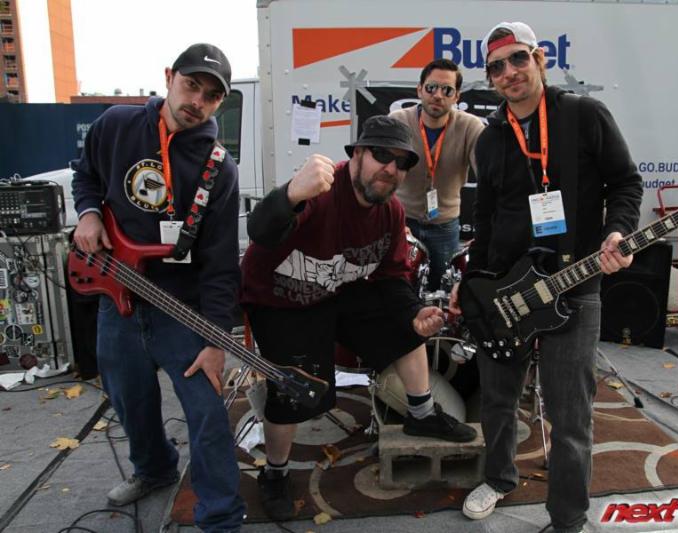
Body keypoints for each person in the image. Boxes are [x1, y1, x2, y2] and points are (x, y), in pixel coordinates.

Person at [449, 22, 643, 532]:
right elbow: (486, 220)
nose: (509, 72)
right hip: (503, 292)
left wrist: (619, 231)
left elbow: (626, 183)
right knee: (497, 400)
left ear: (539, 59)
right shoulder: (490, 139)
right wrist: (473, 284)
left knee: (570, 416)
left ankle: (568, 519)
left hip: (574, 285)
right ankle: (498, 478)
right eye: (497, 66)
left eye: (518, 59)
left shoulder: (583, 115)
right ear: (490, 77)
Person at [239, 115, 477, 521]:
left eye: (402, 162)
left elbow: (392, 278)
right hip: (279, 298)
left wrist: (414, 312)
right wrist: (290, 194)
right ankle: (275, 472)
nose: (391, 168)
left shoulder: (391, 213)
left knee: (403, 326)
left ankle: (422, 415)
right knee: (297, 388)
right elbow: (260, 231)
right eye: (382, 155)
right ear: (358, 154)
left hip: (336, 289)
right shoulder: (320, 191)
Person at [71, 43, 245, 533]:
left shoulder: (219, 168)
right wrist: (88, 214)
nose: (198, 101)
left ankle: (221, 519)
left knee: (207, 411)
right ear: (169, 76)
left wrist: (216, 340)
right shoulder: (115, 125)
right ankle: (154, 468)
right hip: (117, 295)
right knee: (129, 398)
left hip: (179, 306)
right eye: (191, 85)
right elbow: (86, 175)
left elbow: (220, 264)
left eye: (211, 96)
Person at [391, 59, 484, 292]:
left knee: (442, 290)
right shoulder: (397, 122)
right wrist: (391, 220)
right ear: (419, 90)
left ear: (457, 96)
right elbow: (380, 176)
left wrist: (488, 231)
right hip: (402, 221)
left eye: (447, 90)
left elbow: (489, 181)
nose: (438, 95)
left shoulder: (470, 127)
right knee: (396, 287)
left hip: (445, 226)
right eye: (431, 87)